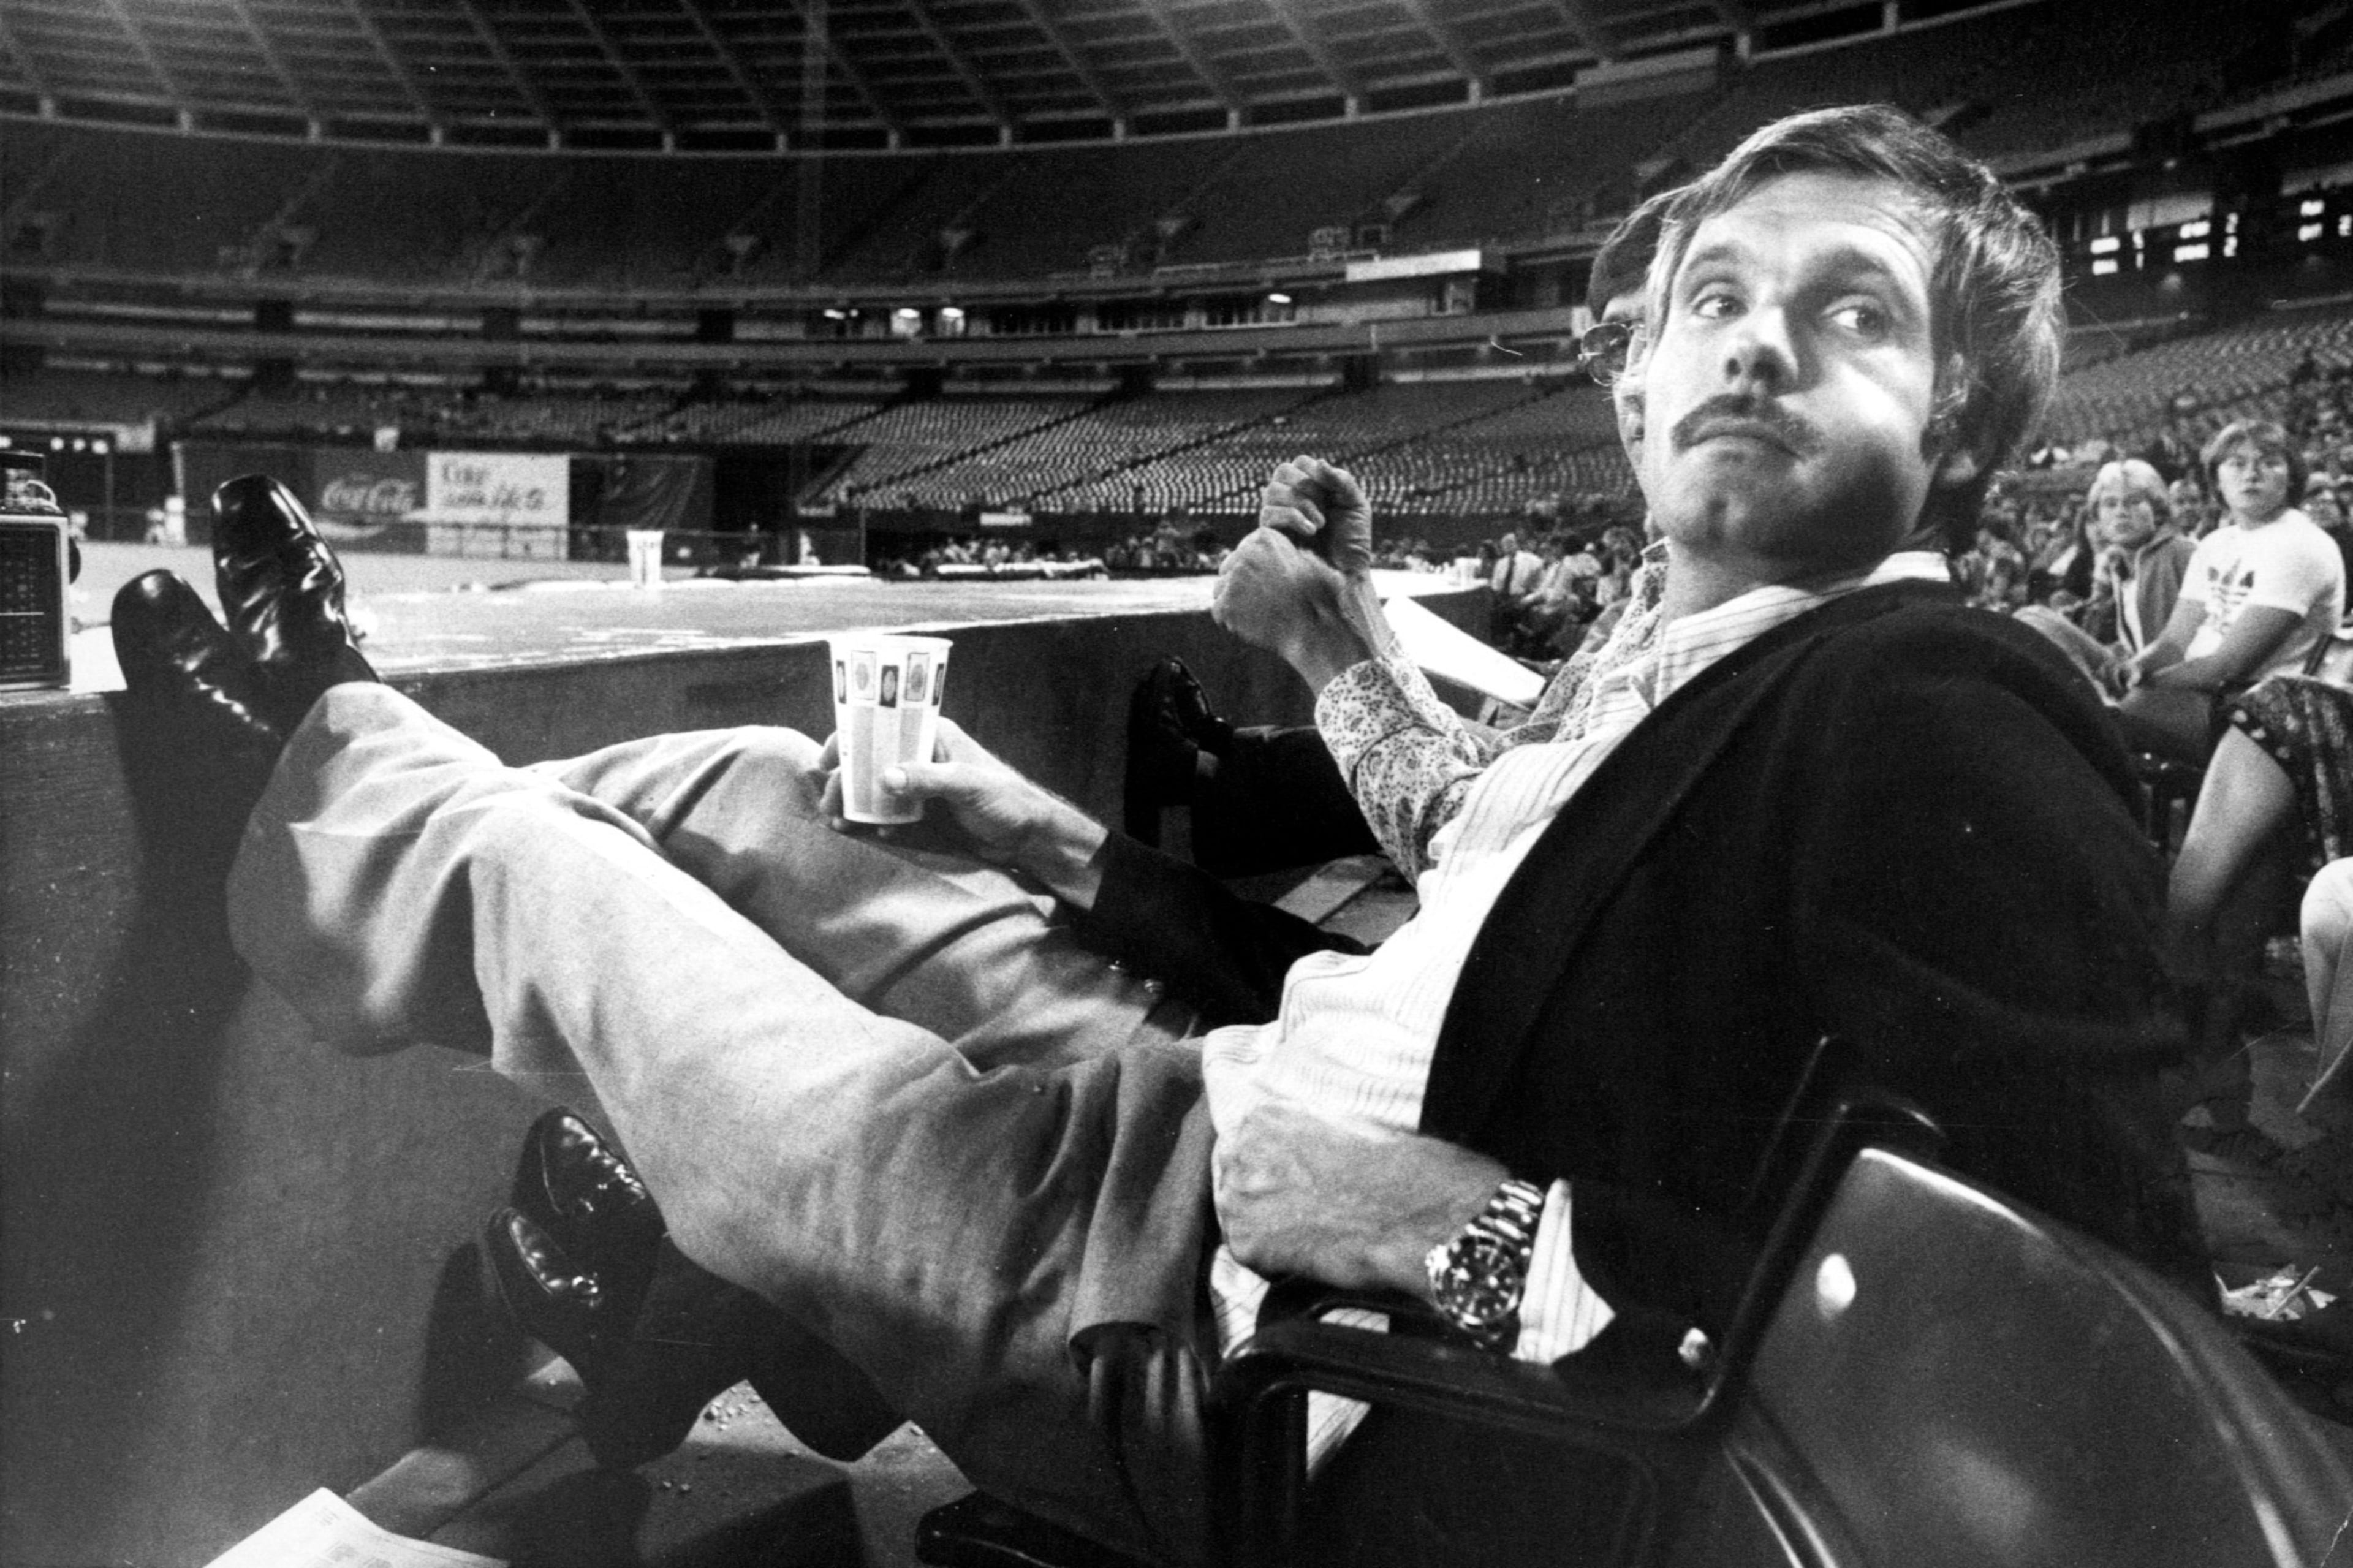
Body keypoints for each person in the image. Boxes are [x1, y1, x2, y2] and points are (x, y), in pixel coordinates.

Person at [111, 105, 2202, 1566]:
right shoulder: (1684, 664)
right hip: (1213, 1100)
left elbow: (2076, 1342)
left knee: (561, 895)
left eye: (1852, 312)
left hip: (1264, 1332)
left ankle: (305, 759)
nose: (1755, 334)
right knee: (728, 789)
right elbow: (1430, 966)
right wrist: (1032, 834)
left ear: (1958, 441)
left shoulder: (1937, 692)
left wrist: (1468, 1239)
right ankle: (394, 891)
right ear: (1640, 392)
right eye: (1715, 301)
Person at [1124, 189, 1677, 877]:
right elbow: (1508, 777)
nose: (1643, 381)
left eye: (1677, 327)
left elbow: (1488, 874)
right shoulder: (1671, 579)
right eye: (1618, 343)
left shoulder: (1733, 608)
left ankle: (1198, 792)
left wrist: (1317, 639)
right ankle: (1211, 778)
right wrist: (1352, 597)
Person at [2118, 419, 2346, 762]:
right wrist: (2139, 665)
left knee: (2095, 714)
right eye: (2237, 463)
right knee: (2044, 623)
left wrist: (2142, 686)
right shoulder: (2216, 543)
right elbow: (2174, 642)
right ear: (2217, 479)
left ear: (2292, 478)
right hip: (2198, 695)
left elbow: (2229, 667)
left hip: (2255, 712)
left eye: (2269, 462)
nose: (2251, 474)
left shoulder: (2301, 544)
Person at [2017, 457, 2194, 691]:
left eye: (2133, 502)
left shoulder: (2178, 551)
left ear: (2158, 511)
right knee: (2033, 617)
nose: (2121, 512)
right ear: (2098, 518)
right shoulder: (2121, 563)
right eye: (2110, 504)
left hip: (2170, 683)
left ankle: (2096, 706)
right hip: (2135, 671)